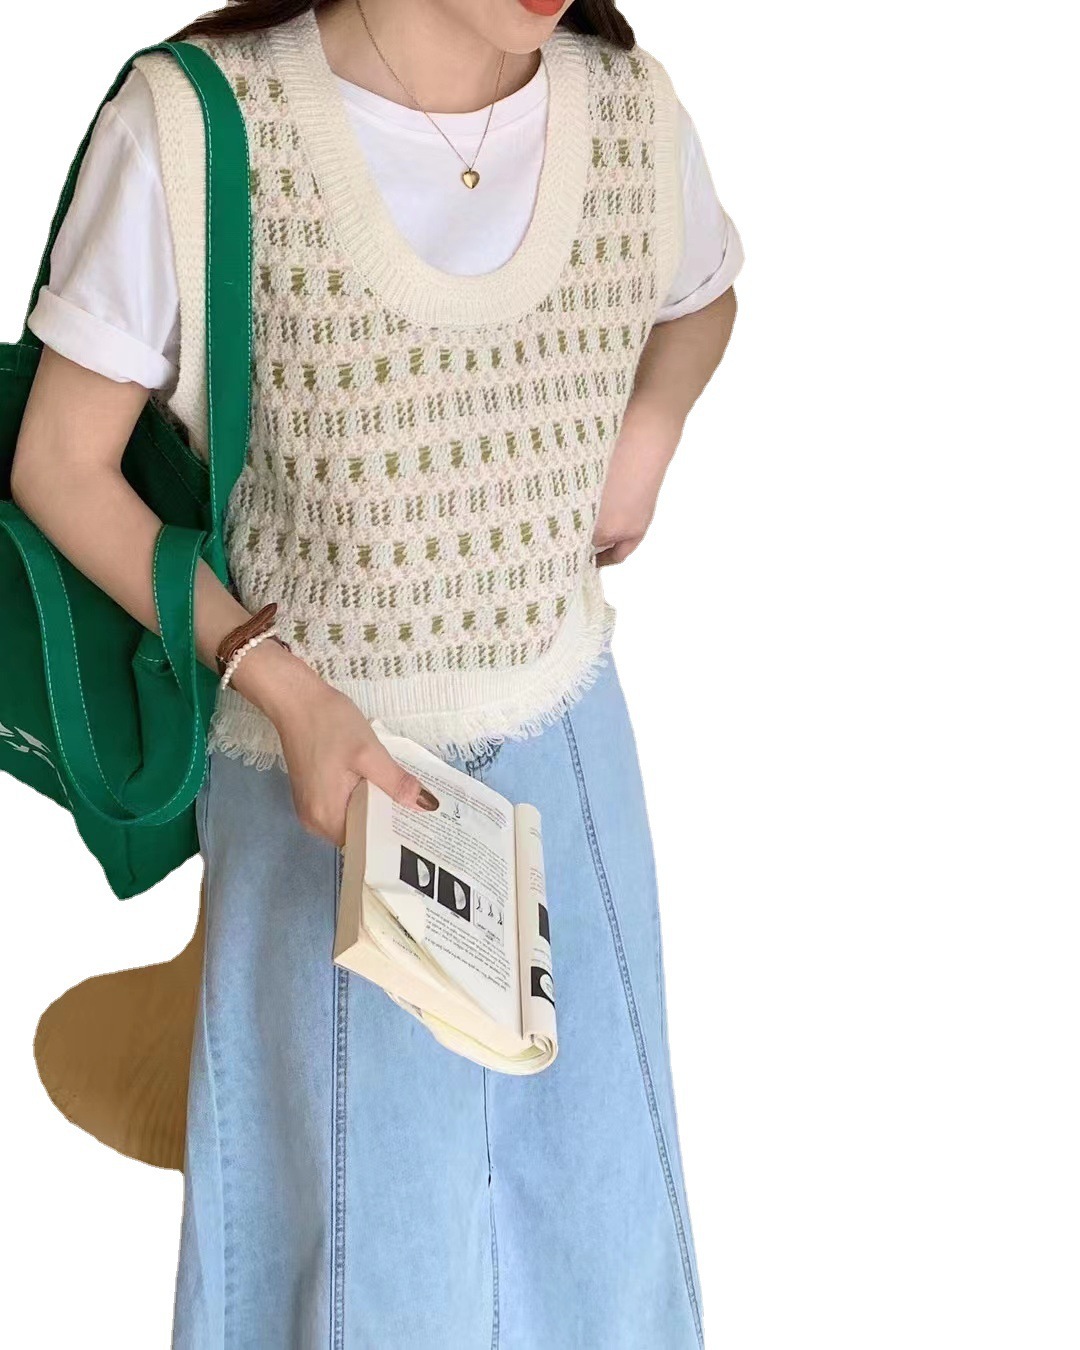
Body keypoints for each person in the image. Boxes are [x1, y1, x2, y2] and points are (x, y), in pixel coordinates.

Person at [11, 0, 741, 1343]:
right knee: (363, 1269)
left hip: (572, 767)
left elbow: (701, 298)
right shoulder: (203, 127)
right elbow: (60, 462)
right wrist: (279, 682)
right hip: (320, 789)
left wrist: (650, 422)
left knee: (601, 1249)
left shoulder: (631, 114)